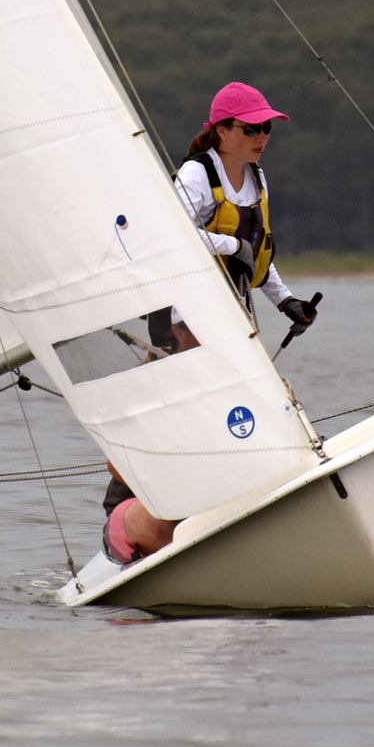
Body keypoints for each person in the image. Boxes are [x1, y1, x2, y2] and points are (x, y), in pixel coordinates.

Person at [102, 82, 320, 565]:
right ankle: (124, 516)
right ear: (222, 130)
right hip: (183, 314)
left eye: (266, 127)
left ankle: (234, 495)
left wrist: (287, 302)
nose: (262, 135)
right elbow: (170, 234)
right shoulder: (197, 175)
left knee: (238, 401)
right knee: (178, 408)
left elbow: (258, 251)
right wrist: (229, 247)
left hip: (231, 309)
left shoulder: (258, 179)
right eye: (251, 127)